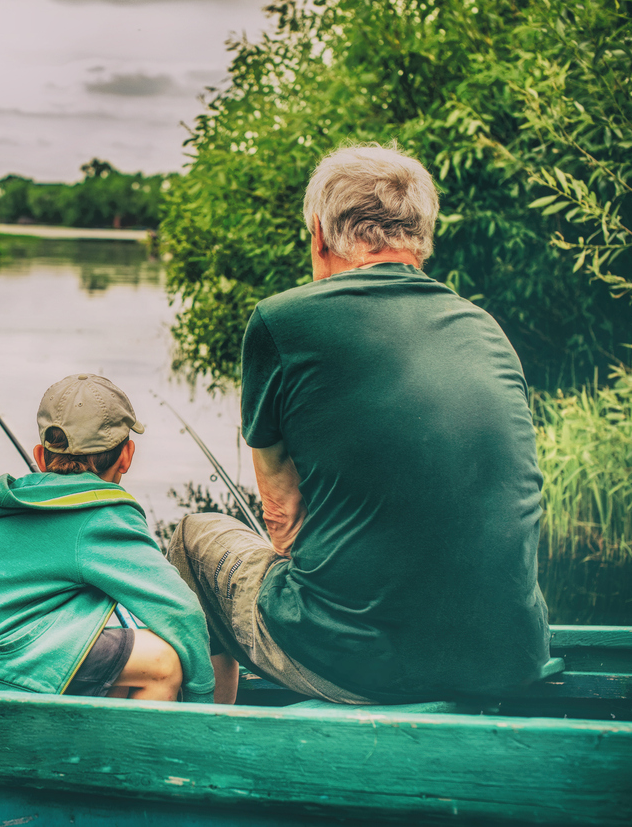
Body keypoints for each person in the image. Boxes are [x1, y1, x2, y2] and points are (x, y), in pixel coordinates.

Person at [167, 144, 550, 705]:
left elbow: (283, 518)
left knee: (195, 539)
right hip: (511, 654)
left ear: (319, 234)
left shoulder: (282, 320)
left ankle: (206, 736)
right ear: (423, 236)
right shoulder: (485, 328)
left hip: (363, 667)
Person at [0, 373, 215, 702]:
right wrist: (201, 702)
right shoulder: (103, 514)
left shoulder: (14, 498)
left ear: (41, 457)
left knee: (107, 638)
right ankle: (144, 754)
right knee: (161, 663)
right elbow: (181, 613)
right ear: (127, 455)